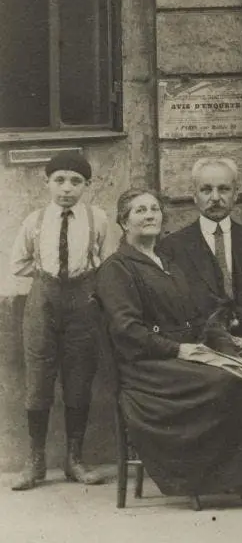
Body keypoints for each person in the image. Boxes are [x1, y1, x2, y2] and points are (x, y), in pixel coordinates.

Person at [95, 188, 242, 511]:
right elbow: (128, 330)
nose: (149, 215)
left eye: (154, 209)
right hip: (146, 370)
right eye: (139, 211)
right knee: (225, 382)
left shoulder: (169, 263)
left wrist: (229, 346)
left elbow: (198, 319)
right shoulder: (117, 268)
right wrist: (178, 350)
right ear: (124, 222)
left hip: (178, 356)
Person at [10, 151, 110, 490]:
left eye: (76, 181)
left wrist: (85, 284)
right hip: (42, 304)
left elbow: (106, 263)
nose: (67, 188)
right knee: (38, 381)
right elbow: (18, 263)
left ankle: (74, 459)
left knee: (79, 378)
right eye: (59, 180)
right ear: (47, 182)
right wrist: (46, 278)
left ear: (87, 185)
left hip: (83, 305)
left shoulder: (98, 219)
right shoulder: (35, 220)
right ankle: (35, 461)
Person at [158, 157, 242, 341]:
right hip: (201, 344)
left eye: (223, 189)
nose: (215, 198)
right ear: (194, 195)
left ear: (236, 194)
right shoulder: (172, 247)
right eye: (206, 190)